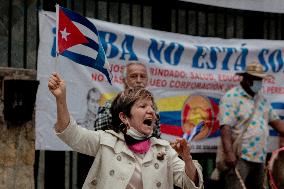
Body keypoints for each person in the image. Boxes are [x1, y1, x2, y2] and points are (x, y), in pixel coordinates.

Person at [48, 73, 204, 189]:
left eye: (152, 107)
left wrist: (187, 158)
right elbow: (70, 134)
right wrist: (61, 99)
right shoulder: (106, 141)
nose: (151, 112)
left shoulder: (164, 149)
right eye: (143, 106)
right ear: (124, 117)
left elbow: (191, 185)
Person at [218, 61, 284, 189]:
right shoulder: (232, 97)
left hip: (259, 157)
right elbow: (225, 128)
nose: (259, 83)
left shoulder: (261, 100)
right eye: (256, 79)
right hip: (240, 157)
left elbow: (278, 124)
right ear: (247, 79)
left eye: (260, 79)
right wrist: (229, 153)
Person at [94, 61, 161, 138]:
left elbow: (156, 137)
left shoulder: (152, 107)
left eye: (142, 76)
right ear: (124, 80)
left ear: (147, 81)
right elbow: (99, 133)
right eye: (133, 76)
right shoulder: (112, 104)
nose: (139, 80)